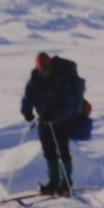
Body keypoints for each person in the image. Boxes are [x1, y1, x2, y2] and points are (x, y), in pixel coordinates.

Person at [21, 53, 85, 196]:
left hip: (61, 122)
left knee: (63, 151)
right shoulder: (33, 82)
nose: (45, 70)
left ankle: (66, 183)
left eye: (47, 67)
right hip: (43, 121)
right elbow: (27, 98)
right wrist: (26, 111)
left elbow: (68, 105)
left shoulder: (60, 82)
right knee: (48, 151)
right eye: (42, 67)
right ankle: (53, 182)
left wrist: (55, 116)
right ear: (37, 67)